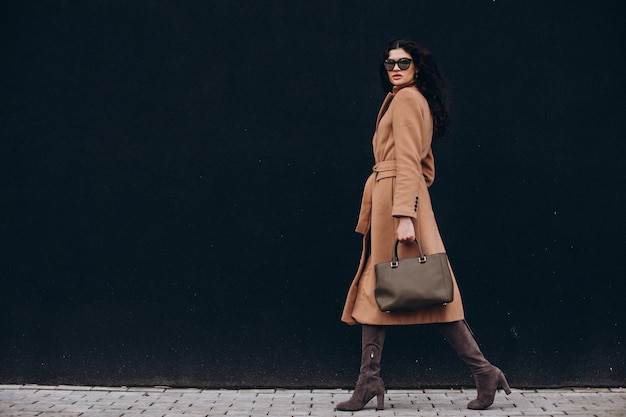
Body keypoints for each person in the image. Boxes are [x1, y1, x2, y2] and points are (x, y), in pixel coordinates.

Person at [337, 39, 511, 412]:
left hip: (398, 206)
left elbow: (411, 163)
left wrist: (403, 214)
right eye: (389, 63)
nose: (395, 68)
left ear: (418, 66)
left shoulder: (406, 101)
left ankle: (483, 371)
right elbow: (423, 165)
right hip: (394, 198)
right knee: (384, 289)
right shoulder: (410, 100)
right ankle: (370, 379)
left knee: (426, 291)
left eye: (403, 62)